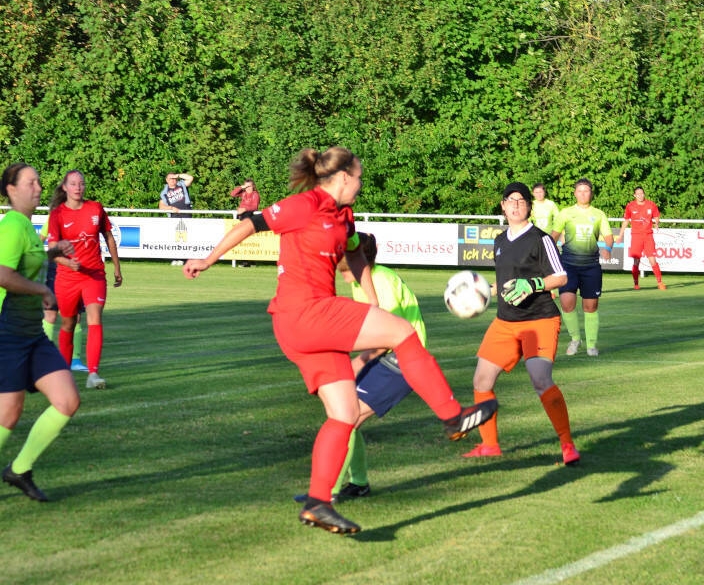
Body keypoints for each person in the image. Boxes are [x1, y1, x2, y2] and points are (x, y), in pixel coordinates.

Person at [183, 146, 497, 535]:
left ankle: (318, 503)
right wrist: (208, 259)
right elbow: (251, 223)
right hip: (305, 312)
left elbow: (357, 255)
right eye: (359, 177)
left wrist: (373, 300)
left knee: (344, 415)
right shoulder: (305, 204)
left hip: (307, 326)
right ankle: (452, 416)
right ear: (344, 177)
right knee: (403, 333)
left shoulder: (343, 216)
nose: (361, 184)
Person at [292, 232, 429, 504]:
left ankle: (326, 493)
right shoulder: (363, 282)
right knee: (343, 414)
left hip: (402, 360)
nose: (339, 269)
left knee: (347, 419)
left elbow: (389, 336)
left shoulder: (381, 282)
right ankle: (358, 484)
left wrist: (358, 362)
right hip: (388, 357)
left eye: (344, 264)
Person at [462, 182, 579, 465]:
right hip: (505, 321)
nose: (515, 205)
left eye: (521, 201)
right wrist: (479, 293)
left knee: (540, 379)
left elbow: (561, 277)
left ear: (529, 207)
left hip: (539, 319)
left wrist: (533, 284)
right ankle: (490, 445)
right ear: (502, 206)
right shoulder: (500, 241)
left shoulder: (541, 239)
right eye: (510, 200)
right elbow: (504, 284)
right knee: (481, 380)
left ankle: (567, 444)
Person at [0, 163, 81, 501]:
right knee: (8, 413)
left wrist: (53, 252)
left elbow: (25, 264)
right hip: (7, 334)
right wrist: (42, 290)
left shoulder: (26, 226)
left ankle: (19, 470)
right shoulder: (11, 226)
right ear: (11, 189)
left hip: (31, 334)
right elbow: (3, 275)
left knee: (67, 400)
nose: (38, 188)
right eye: (30, 183)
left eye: (38, 182)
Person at [47, 170, 123, 389]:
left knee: (94, 318)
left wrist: (117, 267)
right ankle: (64, 374)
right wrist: (67, 262)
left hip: (94, 275)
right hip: (67, 278)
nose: (78, 187)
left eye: (81, 183)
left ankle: (93, 374)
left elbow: (108, 236)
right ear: (65, 188)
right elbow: (52, 251)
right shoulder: (57, 215)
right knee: (69, 323)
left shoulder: (95, 208)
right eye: (73, 184)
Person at [551, 178, 614, 357]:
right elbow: (553, 237)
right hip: (568, 265)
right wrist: (549, 255)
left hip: (591, 266)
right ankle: (575, 339)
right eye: (580, 191)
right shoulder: (565, 213)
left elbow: (609, 237)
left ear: (591, 193)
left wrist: (608, 248)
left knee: (591, 306)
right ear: (575, 193)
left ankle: (591, 345)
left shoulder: (599, 214)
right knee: (566, 303)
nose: (583, 194)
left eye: (586, 191)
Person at [39, 220, 88, 372]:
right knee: (50, 313)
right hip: (55, 268)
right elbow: (40, 240)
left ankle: (75, 360)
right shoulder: (54, 217)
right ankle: (45, 358)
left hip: (75, 268)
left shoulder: (81, 215)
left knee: (75, 316)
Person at [615, 186, 667, 290]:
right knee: (636, 261)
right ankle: (636, 284)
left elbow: (656, 216)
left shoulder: (651, 204)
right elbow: (626, 221)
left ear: (644, 194)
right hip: (636, 236)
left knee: (652, 260)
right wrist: (620, 235)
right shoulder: (630, 206)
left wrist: (656, 222)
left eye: (641, 193)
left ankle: (660, 282)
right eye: (638, 194)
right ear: (634, 195)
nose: (640, 195)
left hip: (648, 236)